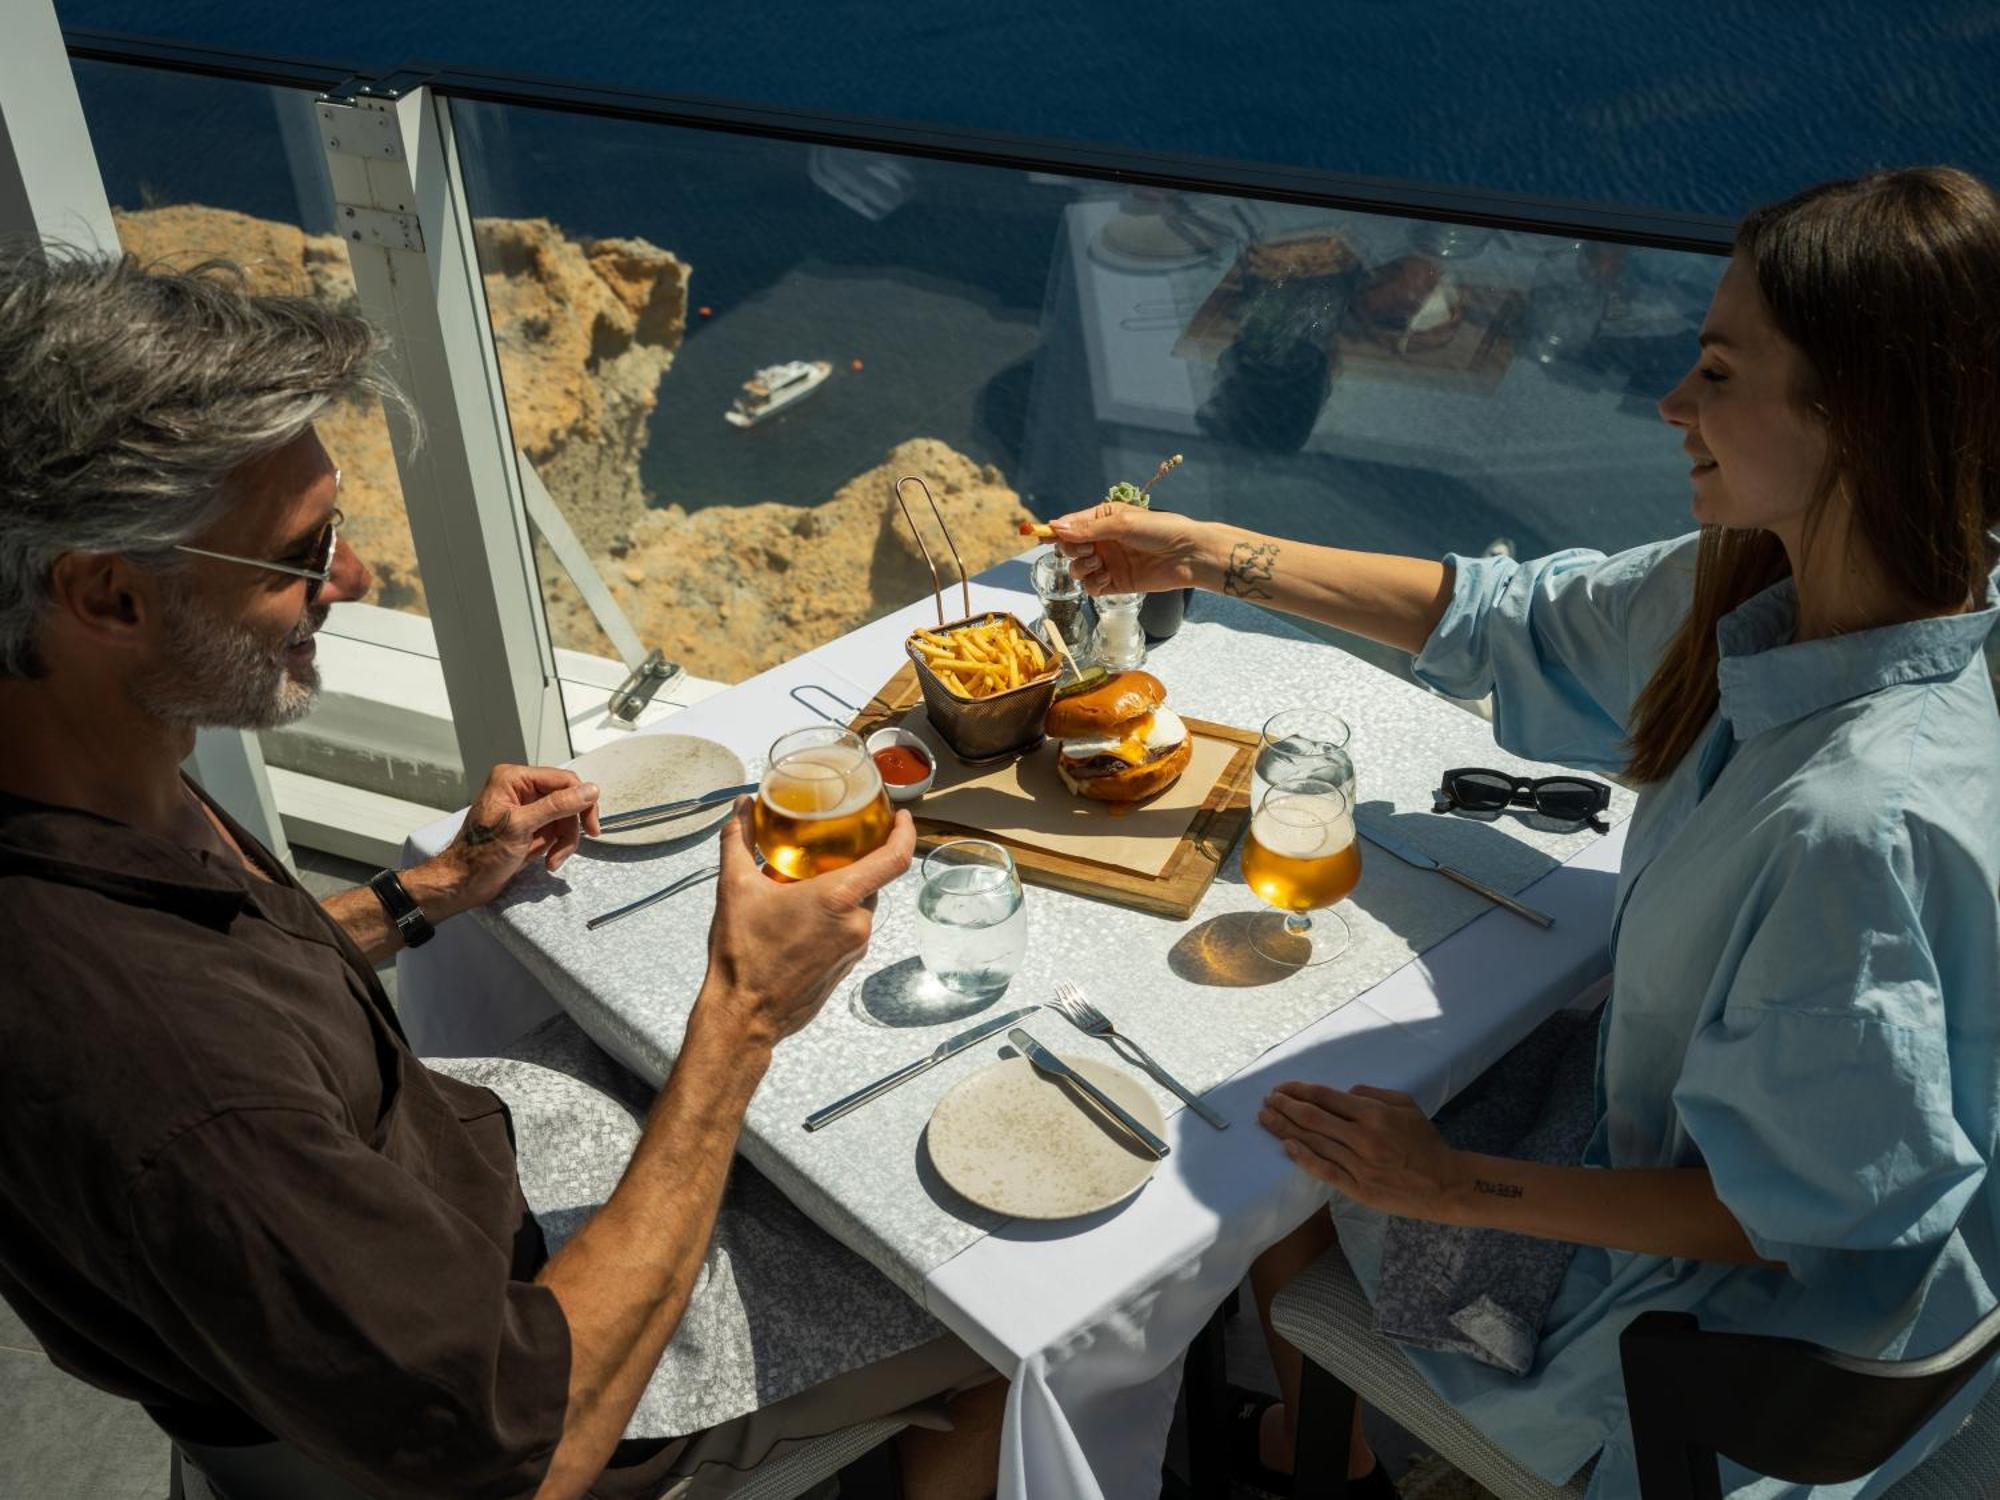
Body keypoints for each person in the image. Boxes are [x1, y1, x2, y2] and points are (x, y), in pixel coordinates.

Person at [1048, 166, 2000, 1498]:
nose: (1673, 404)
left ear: (1857, 416)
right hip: (1690, 1178)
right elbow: (1509, 618)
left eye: (1718, 374)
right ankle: (1338, 1432)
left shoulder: (1853, 825)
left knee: (1274, 1138)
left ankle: (1325, 1448)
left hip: (1699, 1346)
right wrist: (1202, 552)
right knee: (1353, 1089)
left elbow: (1794, 1215)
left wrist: (1449, 1188)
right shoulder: (1813, 587)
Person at [0, 248, 1003, 1500]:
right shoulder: (177, 1088)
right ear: (105, 595)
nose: (352, 580)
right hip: (513, 1380)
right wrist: (742, 1011)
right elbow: (529, 1451)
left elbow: (224, 972)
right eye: (301, 555)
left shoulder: (84, 771)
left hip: (434, 1197)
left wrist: (423, 893)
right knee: (986, 1307)